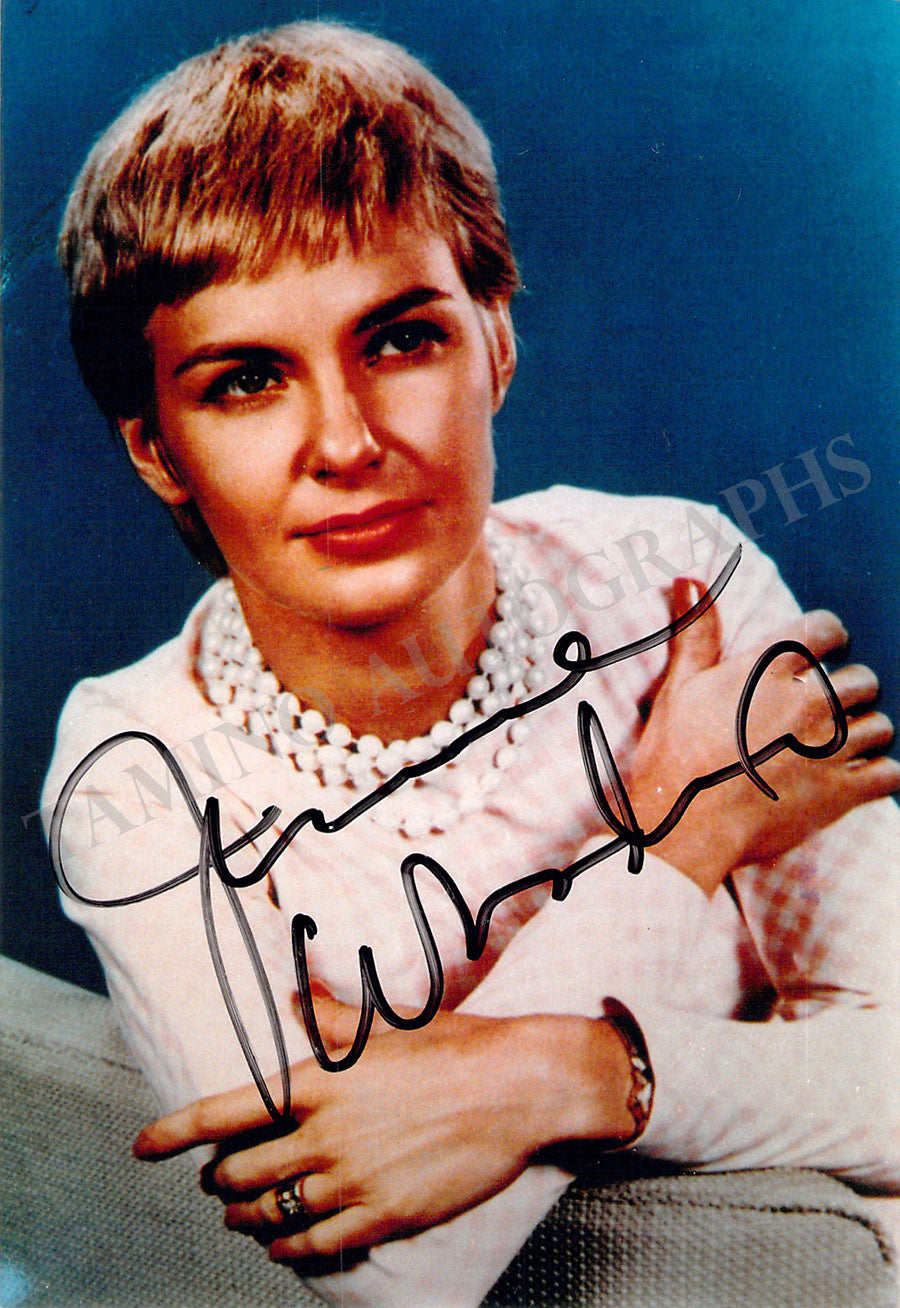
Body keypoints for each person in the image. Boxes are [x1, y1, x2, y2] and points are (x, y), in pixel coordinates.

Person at [43, 20, 900, 1306]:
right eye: (246, 381)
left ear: (495, 342)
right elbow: (380, 1271)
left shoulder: (681, 581)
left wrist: (559, 1073)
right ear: (158, 449)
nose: (347, 443)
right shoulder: (130, 775)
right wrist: (682, 838)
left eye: (400, 340)